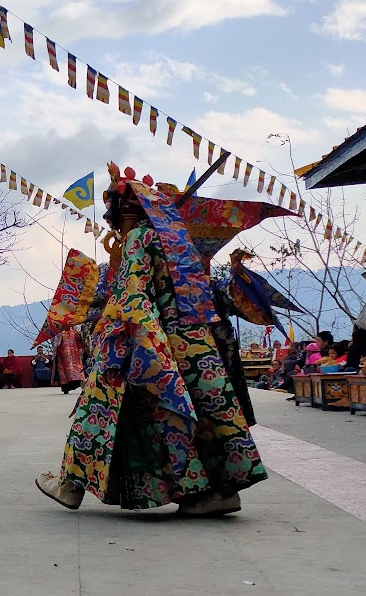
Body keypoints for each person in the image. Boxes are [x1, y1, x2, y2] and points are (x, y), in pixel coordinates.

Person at [36, 167, 266, 517]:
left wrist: (131, 341)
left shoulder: (139, 239)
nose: (113, 225)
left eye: (113, 215)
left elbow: (133, 295)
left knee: (97, 408)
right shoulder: (179, 243)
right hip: (193, 346)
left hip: (145, 340)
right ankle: (212, 493)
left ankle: (70, 485)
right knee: (187, 416)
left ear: (124, 213)